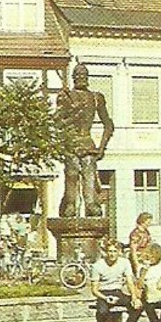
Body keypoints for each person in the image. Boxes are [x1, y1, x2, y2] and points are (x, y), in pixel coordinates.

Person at [55, 63, 115, 219]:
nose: (81, 78)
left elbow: (108, 124)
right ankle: (69, 204)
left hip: (88, 143)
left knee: (89, 175)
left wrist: (102, 147)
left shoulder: (96, 98)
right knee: (72, 174)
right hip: (71, 144)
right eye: (77, 75)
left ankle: (91, 204)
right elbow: (57, 123)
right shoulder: (65, 97)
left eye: (83, 75)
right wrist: (73, 113)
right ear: (73, 78)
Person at [88, 239, 135, 322]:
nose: (112, 254)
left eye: (115, 251)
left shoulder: (125, 262)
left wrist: (134, 297)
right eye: (110, 251)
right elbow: (94, 289)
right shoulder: (98, 265)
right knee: (102, 311)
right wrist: (105, 298)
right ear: (106, 252)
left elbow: (129, 282)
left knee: (137, 306)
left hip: (118, 291)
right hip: (103, 292)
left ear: (119, 252)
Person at [127, 212, 154, 279]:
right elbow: (133, 249)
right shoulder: (136, 233)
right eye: (148, 222)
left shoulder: (146, 232)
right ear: (142, 221)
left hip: (146, 257)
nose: (149, 224)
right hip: (138, 258)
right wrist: (136, 263)